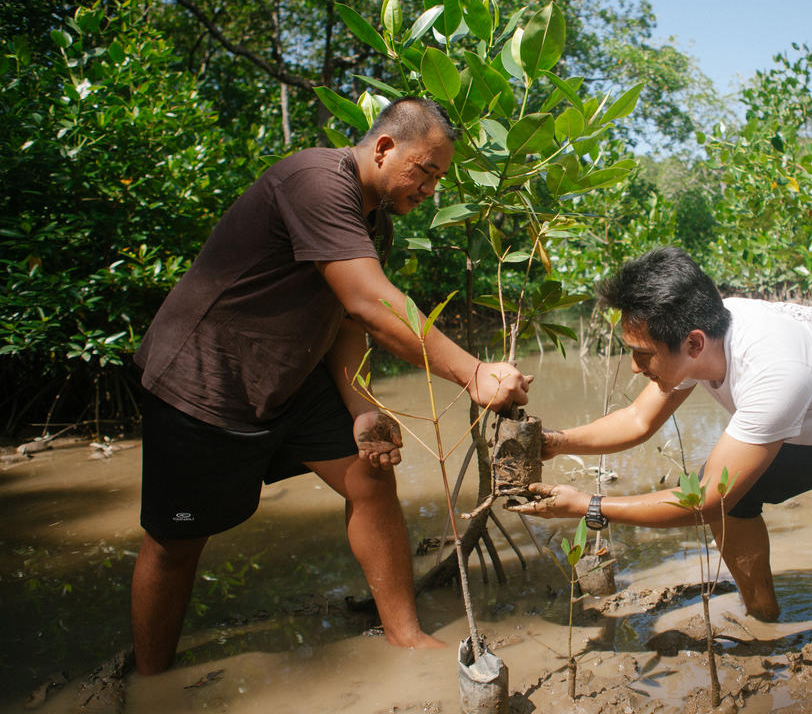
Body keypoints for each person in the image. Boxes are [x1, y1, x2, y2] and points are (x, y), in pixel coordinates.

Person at [131, 97, 531, 675]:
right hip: (205, 377)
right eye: (425, 171)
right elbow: (371, 301)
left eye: (439, 178)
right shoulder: (316, 180)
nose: (430, 189)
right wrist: (473, 372)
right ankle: (152, 683)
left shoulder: (376, 223)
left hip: (291, 379)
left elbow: (346, 323)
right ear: (385, 147)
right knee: (176, 544)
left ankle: (406, 636)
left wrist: (361, 408)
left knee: (371, 476)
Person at [514, 247, 812, 677]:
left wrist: (586, 507)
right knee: (733, 495)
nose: (633, 367)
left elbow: (704, 502)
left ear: (693, 344)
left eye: (642, 354)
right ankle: (764, 614)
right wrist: (555, 442)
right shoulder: (704, 335)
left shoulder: (771, 371)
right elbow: (637, 419)